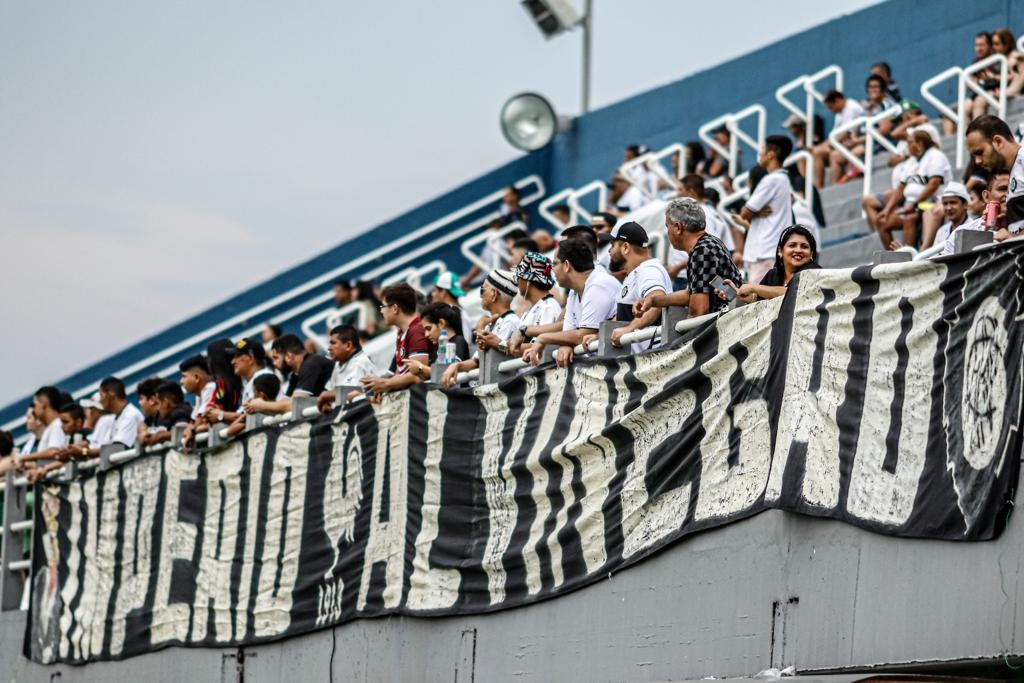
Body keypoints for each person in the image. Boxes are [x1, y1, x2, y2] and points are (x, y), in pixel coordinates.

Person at [639, 198, 743, 318]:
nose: (667, 232)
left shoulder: (701, 251)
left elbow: (698, 311)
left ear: (678, 227)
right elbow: (692, 293)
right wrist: (652, 301)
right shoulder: (709, 243)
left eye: (667, 227)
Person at [523, 239, 618, 368]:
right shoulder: (574, 291)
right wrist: (565, 345)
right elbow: (569, 332)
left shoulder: (598, 284)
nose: (552, 270)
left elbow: (582, 335)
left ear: (567, 265)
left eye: (555, 264)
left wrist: (542, 338)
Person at [441, 270, 521, 386]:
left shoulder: (511, 322)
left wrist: (479, 329)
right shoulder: (491, 323)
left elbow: (485, 360)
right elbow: (476, 361)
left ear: (493, 294)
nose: (480, 295)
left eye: (482, 290)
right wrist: (457, 365)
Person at [734, 136, 794, 284]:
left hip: (764, 253)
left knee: (757, 300)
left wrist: (753, 212)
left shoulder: (770, 180)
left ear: (771, 154)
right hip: (771, 251)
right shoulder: (783, 179)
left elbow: (745, 212)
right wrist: (757, 211)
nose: (760, 154)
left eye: (762, 150)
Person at [604, 221, 672, 353]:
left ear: (625, 247)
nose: (609, 250)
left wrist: (628, 329)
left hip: (652, 360)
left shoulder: (648, 270)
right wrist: (596, 336)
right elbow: (622, 318)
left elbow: (657, 302)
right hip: (641, 361)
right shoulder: (636, 273)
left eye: (612, 245)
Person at [878, 127, 951, 248]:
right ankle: (895, 258)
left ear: (920, 144)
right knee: (882, 222)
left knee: (909, 218)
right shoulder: (911, 162)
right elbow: (900, 188)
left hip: (932, 202)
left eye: (910, 142)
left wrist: (913, 205)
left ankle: (910, 259)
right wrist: (887, 210)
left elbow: (933, 184)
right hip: (912, 205)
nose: (907, 146)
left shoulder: (936, 156)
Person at [360, 283, 433, 398]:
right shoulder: (402, 332)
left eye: (383, 307)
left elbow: (418, 375)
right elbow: (401, 374)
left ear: (394, 309)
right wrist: (379, 388)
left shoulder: (417, 330)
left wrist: (386, 384)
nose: (381, 311)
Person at [724, 225, 820, 303]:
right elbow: (758, 298)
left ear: (811, 253)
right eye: (792, 245)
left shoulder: (813, 271)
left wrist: (753, 287)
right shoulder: (773, 274)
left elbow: (792, 293)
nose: (798, 250)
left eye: (804, 246)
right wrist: (738, 293)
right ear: (780, 251)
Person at [244, 334, 334, 415]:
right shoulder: (295, 375)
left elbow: (293, 405)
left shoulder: (311, 364)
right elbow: (284, 405)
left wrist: (262, 405)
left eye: (276, 358)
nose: (274, 363)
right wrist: (257, 407)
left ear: (289, 356)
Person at [965, 114, 1024, 237]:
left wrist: (1012, 238)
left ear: (998, 142)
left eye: (980, 153)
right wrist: (1007, 225)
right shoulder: (1015, 171)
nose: (977, 161)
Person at [65, 377, 145, 460]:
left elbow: (115, 449)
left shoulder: (130, 415)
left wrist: (83, 452)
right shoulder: (117, 417)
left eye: (101, 396)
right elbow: (102, 445)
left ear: (111, 395)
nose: (100, 401)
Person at [937, 172, 1008, 257]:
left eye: (1014, 189)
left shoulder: (1020, 231)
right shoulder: (963, 231)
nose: (1009, 194)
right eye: (1003, 189)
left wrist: (1012, 236)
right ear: (986, 196)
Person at [507, 252, 562, 357]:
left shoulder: (549, 307)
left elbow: (543, 347)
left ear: (529, 282)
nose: (517, 282)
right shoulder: (532, 308)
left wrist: (499, 344)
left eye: (519, 277)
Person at [317, 324, 382, 412]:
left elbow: (351, 393)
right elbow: (331, 392)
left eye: (333, 343)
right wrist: (327, 401)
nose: (329, 348)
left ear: (348, 345)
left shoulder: (360, 363)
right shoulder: (339, 363)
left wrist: (325, 396)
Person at [811, 90, 866, 187]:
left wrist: (826, 145)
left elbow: (846, 134)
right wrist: (819, 147)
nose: (830, 110)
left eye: (830, 107)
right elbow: (834, 135)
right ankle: (818, 189)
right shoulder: (839, 113)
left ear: (837, 100)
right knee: (817, 153)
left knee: (833, 155)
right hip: (845, 144)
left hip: (856, 143)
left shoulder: (852, 108)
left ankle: (834, 186)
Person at [138, 382, 193, 448]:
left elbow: (182, 432)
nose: (158, 408)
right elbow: (144, 423)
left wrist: (160, 436)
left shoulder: (179, 413)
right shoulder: (167, 414)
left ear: (166, 403)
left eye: (158, 403)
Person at [179, 354, 216, 422]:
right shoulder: (199, 395)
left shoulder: (211, 388)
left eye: (184, 376)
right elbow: (194, 422)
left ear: (196, 378)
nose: (181, 381)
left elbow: (200, 421)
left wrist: (193, 429)